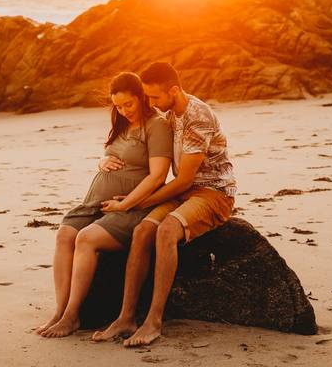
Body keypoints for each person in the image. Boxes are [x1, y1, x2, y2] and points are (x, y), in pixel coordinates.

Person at [92, 61, 236, 346]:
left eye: (155, 97)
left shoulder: (198, 117)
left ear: (173, 90)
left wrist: (135, 202)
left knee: (166, 230)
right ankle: (126, 317)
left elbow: (183, 181)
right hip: (183, 192)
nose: (151, 103)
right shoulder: (169, 113)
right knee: (143, 231)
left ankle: (154, 321)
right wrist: (104, 159)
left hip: (213, 193)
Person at [36, 72, 173, 338]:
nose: (123, 111)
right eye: (118, 106)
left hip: (133, 206)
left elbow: (157, 176)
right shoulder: (122, 123)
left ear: (142, 97)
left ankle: (72, 315)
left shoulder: (156, 125)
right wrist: (102, 162)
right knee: (65, 234)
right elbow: (111, 153)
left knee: (85, 239)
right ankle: (59, 310)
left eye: (128, 105)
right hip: (98, 202)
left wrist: (126, 205)